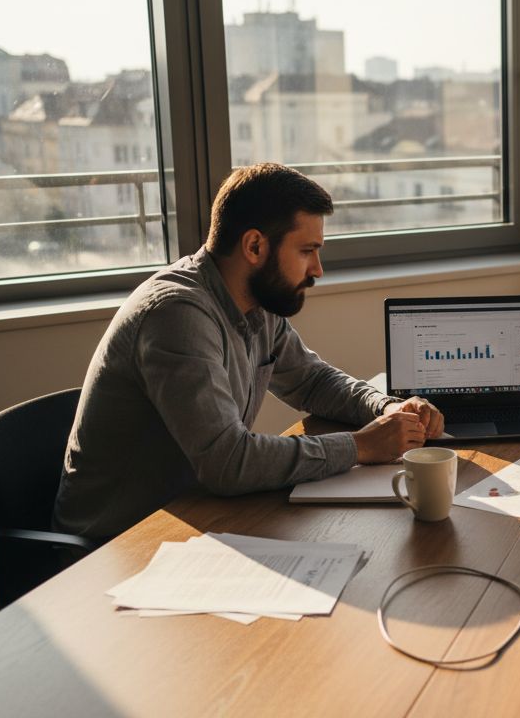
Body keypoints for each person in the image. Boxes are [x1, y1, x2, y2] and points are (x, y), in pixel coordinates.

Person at [54, 163, 444, 543]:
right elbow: (228, 462)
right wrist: (361, 446)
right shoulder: (177, 315)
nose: (318, 270)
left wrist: (386, 407)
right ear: (255, 246)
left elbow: (311, 380)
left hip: (196, 515)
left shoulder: (256, 303)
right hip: (118, 545)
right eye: (307, 250)